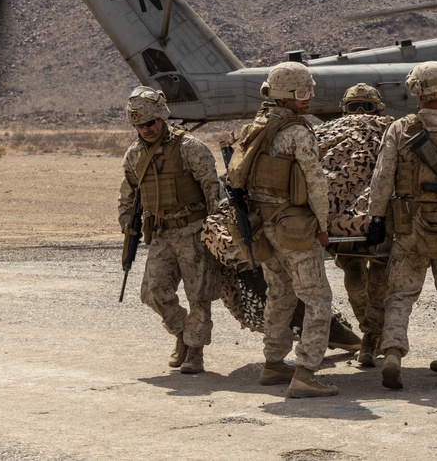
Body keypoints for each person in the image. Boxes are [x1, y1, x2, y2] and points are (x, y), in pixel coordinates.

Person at [365, 61, 437, 389]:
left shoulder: (401, 129)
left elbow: (383, 177)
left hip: (409, 227)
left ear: (416, 92)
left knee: (400, 294)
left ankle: (393, 354)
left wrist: (376, 218)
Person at [229, 61, 338, 398]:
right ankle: (305, 372)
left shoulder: (255, 128)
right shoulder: (297, 131)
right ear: (288, 95)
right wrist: (323, 223)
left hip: (262, 225)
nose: (308, 98)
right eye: (303, 92)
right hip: (293, 227)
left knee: (279, 294)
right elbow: (316, 182)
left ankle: (273, 362)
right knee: (318, 298)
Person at [117, 86, 220, 374]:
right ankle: (182, 335)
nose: (145, 129)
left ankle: (195, 351)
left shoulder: (190, 148)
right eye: (139, 125)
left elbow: (213, 190)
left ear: (162, 118)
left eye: (150, 123)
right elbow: (128, 195)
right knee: (153, 292)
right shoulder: (134, 155)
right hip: (160, 234)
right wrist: (128, 228)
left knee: (198, 294)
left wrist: (214, 230)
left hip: (193, 230)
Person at [318, 83, 393, 368]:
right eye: (355, 109)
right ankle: (372, 337)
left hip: (340, 225)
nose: (360, 114)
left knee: (355, 276)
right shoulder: (390, 129)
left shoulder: (326, 133)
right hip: (378, 219)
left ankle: (370, 337)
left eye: (365, 109)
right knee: (376, 279)